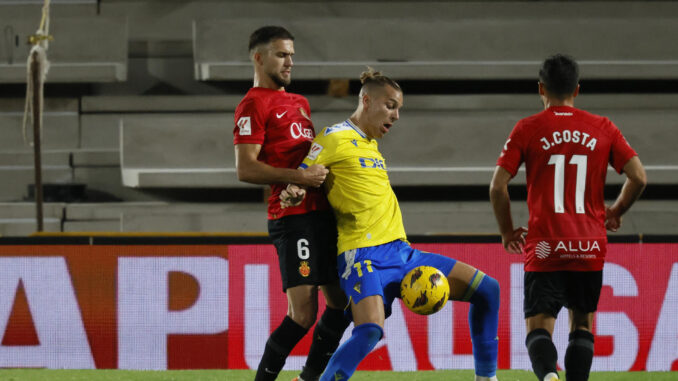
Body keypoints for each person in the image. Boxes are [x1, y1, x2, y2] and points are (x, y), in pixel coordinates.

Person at [281, 68, 501, 381]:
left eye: (399, 109)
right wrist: (295, 190)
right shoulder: (333, 138)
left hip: (402, 253)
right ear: (366, 101)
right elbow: (305, 174)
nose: (396, 115)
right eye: (391, 106)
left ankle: (486, 378)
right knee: (370, 331)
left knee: (488, 290)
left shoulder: (370, 145)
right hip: (363, 255)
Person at [489, 54, 647, 381]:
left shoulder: (528, 128)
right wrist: (615, 211)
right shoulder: (603, 128)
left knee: (539, 326)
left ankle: (548, 375)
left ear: (540, 88)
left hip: (546, 245)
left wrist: (506, 232)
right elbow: (639, 177)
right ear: (577, 89)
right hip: (588, 244)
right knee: (583, 323)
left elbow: (497, 186)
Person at [233, 26, 350, 381]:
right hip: (292, 218)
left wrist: (310, 174)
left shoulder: (299, 103)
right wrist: (296, 179)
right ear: (259, 57)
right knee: (302, 314)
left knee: (340, 305)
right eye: (282, 54)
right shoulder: (252, 104)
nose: (289, 62)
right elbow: (245, 168)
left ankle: (309, 378)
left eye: (291, 55)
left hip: (321, 214)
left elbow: (309, 156)